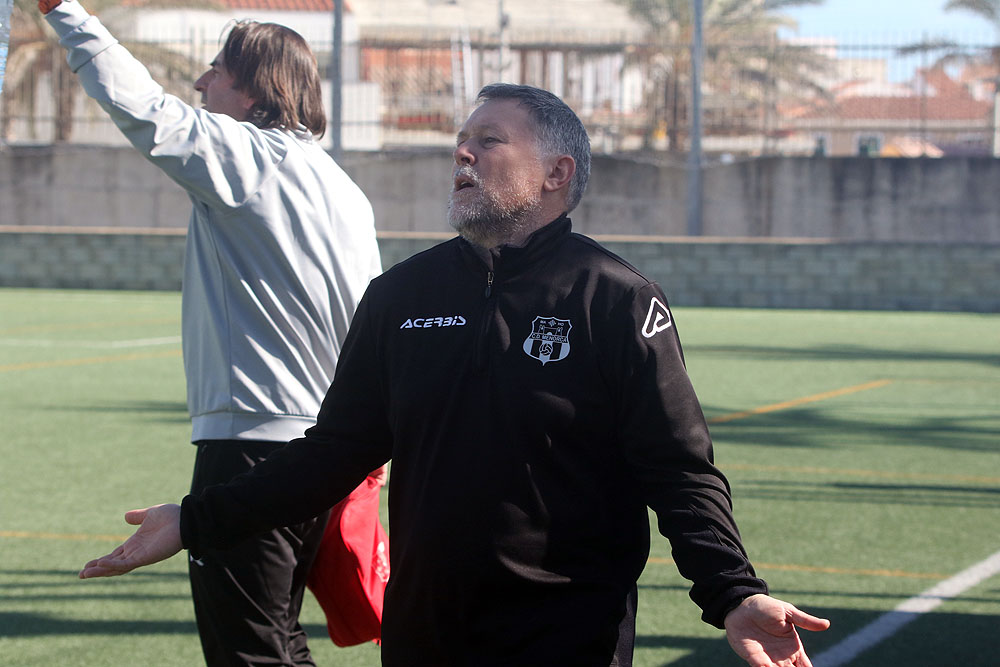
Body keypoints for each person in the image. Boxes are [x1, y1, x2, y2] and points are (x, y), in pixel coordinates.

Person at [79, 82, 830, 667]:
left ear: (556, 173)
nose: (462, 155)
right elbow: (331, 454)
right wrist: (196, 517)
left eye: (489, 141)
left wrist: (733, 592)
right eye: (460, 142)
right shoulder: (400, 296)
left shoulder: (615, 299)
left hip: (568, 638)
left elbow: (678, 469)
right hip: (424, 635)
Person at [41, 1, 383, 664]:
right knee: (278, 638)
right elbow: (367, 324)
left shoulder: (248, 156)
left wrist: (65, 12)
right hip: (321, 453)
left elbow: (143, 109)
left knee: (249, 651)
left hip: (253, 445)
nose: (200, 82)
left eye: (217, 70)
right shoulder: (342, 188)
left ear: (255, 91)